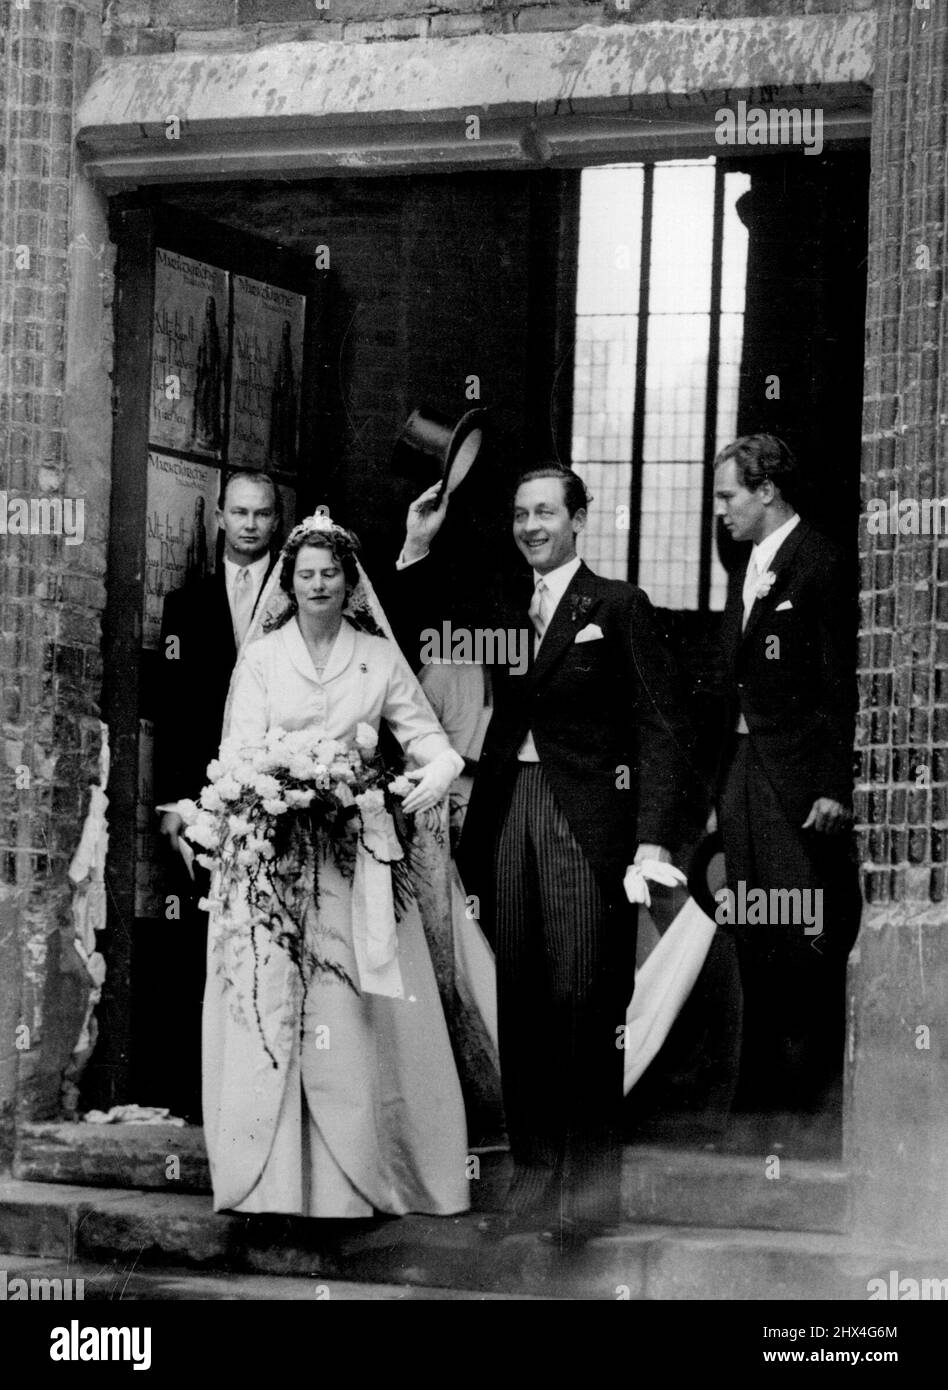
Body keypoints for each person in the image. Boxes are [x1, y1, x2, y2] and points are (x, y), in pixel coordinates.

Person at [398, 467, 693, 1242]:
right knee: (523, 1004)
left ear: (578, 519)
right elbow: (429, 626)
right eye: (521, 513)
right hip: (508, 814)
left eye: (546, 513)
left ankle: (586, 1199)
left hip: (587, 821)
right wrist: (418, 547)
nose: (532, 526)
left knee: (583, 1004)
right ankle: (532, 1183)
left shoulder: (618, 607)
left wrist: (652, 837)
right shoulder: (504, 607)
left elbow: (663, 729)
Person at [198, 515, 469, 1218]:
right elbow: (240, 751)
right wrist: (276, 790)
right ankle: (275, 1182)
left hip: (355, 862)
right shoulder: (262, 659)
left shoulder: (376, 659)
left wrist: (424, 781)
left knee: (350, 1008)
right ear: (288, 584)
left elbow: (434, 745)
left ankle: (357, 1181)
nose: (318, 585)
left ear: (350, 583)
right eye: (306, 574)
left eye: (330, 573)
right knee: (276, 1002)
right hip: (276, 859)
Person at [712, 434, 860, 1155]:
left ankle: (807, 1112)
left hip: (797, 778)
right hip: (744, 768)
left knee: (801, 933)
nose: (722, 511)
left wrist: (836, 783)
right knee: (753, 930)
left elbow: (841, 681)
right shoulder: (747, 562)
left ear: (767, 490)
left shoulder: (821, 561)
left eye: (728, 496)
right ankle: (759, 1107)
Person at [153, 470, 280, 1120]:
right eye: (240, 512)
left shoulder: (293, 604)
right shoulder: (186, 605)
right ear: (221, 520)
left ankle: (262, 1092)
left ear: (274, 522)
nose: (250, 523)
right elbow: (173, 711)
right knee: (199, 941)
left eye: (262, 513)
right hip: (206, 803)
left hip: (274, 798)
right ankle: (199, 1096)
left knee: (268, 941)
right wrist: (174, 802)